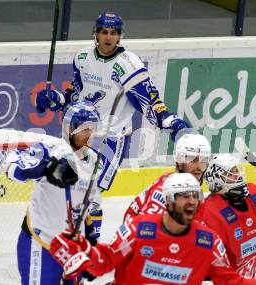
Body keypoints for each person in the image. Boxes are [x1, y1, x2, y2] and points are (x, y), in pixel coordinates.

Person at [35, 11, 189, 193]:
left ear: (119, 36)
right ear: (96, 33)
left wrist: (170, 122)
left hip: (111, 139)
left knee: (89, 196)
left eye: (114, 32)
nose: (108, 37)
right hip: (79, 134)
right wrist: (55, 99)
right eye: (104, 31)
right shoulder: (82, 58)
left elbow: (150, 102)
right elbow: (75, 94)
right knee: (64, 189)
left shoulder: (130, 65)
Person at [49, 173, 256, 285]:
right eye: (182, 197)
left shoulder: (208, 241)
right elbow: (106, 260)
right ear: (167, 201)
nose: (190, 202)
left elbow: (227, 280)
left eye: (194, 197)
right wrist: (83, 251)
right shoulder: (138, 230)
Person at [4, 100, 102, 285]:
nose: (89, 135)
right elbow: (11, 165)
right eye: (84, 129)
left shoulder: (95, 161)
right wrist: (48, 168)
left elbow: (92, 207)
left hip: (74, 249)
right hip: (42, 243)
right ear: (68, 128)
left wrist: (92, 245)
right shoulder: (50, 148)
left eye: (93, 129)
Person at [197, 154, 256, 283]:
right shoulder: (208, 215)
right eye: (230, 173)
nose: (238, 176)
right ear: (216, 180)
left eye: (236, 170)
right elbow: (212, 274)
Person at [123, 133, 211, 222]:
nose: (199, 166)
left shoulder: (184, 187)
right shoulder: (166, 191)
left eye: (203, 160)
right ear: (179, 162)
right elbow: (145, 230)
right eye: (192, 159)